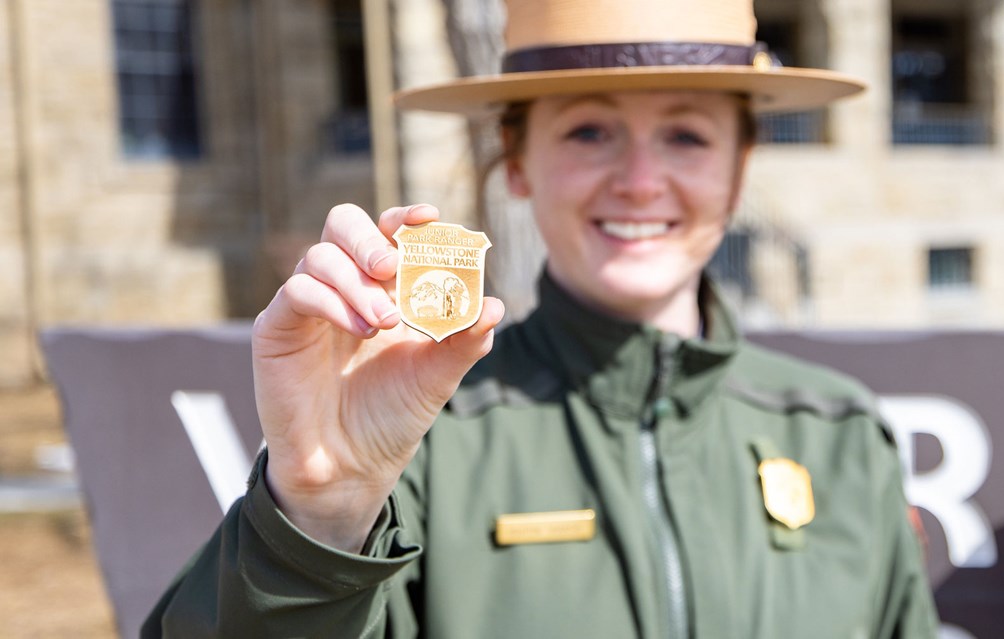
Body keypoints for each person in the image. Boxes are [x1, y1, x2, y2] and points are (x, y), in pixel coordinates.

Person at [143, 0, 939, 636]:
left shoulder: (838, 436)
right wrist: (322, 512)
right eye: (590, 130)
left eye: (688, 135)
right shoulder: (415, 438)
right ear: (517, 163)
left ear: (739, 170)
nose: (638, 180)